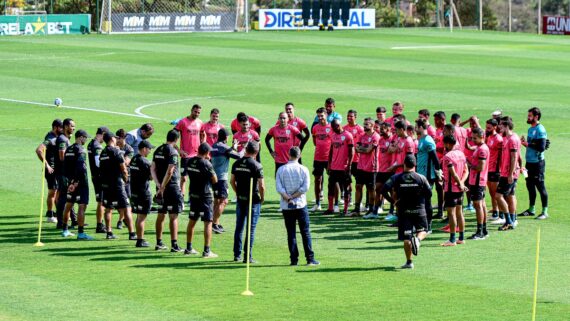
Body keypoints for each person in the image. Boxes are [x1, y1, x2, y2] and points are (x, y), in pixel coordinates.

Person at [382, 155, 430, 269]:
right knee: (424, 231)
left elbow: (383, 189)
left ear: (404, 164)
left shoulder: (396, 177)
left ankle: (409, 262)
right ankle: (418, 240)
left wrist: (393, 202)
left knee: (407, 237)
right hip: (419, 209)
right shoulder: (421, 178)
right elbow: (429, 193)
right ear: (415, 165)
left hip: (403, 211)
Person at [276, 146, 319, 266]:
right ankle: (310, 259)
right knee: (305, 232)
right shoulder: (303, 169)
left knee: (291, 233)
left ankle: (293, 260)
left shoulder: (281, 169)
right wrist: (294, 196)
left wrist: (288, 198)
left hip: (286, 205)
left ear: (289, 154)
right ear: (299, 156)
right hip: (300, 205)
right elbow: (305, 188)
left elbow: (279, 188)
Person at [231, 141, 265, 263]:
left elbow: (232, 181)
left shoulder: (236, 163)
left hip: (241, 199)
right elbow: (262, 186)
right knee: (250, 229)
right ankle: (247, 257)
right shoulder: (257, 165)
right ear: (256, 152)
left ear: (246, 150)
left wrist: (237, 192)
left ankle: (237, 255)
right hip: (253, 200)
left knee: (239, 227)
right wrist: (262, 198)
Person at [151, 129, 184, 252]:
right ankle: (174, 245)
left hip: (160, 187)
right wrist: (163, 185)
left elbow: (152, 169)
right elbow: (170, 171)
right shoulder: (173, 152)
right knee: (173, 215)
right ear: (176, 139)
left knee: (161, 214)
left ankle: (159, 242)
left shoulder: (158, 149)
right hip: (171, 187)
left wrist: (158, 184)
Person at [185, 143, 219, 258]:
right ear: (206, 153)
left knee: (192, 220)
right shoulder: (206, 163)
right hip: (205, 196)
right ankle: (207, 251)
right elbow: (214, 180)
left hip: (193, 194)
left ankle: (189, 247)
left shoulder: (190, 161)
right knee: (208, 222)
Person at [100, 132, 136, 240]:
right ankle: (132, 234)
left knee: (108, 208)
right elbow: (123, 167)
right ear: (112, 138)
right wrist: (126, 179)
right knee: (127, 208)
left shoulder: (103, 152)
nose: (116, 139)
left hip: (106, 183)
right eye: (115, 138)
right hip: (117, 183)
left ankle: (109, 232)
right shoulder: (116, 151)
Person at [61, 130, 92, 240]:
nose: (86, 140)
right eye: (85, 137)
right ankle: (81, 233)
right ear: (80, 137)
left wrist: (70, 182)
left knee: (68, 205)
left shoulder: (68, 149)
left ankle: (65, 230)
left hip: (69, 182)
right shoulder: (81, 150)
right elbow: (81, 168)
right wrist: (76, 182)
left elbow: (64, 167)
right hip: (80, 183)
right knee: (81, 206)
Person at [520, 107, 549, 220]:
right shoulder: (530, 129)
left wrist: (527, 144)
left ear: (536, 117)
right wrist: (525, 143)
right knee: (529, 185)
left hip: (538, 164)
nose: (528, 117)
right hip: (529, 163)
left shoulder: (540, 129)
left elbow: (542, 147)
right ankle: (531, 209)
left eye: (530, 116)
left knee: (540, 186)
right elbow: (531, 144)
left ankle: (544, 212)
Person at [440, 135, 469, 247]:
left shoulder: (448, 156)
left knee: (451, 214)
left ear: (447, 143)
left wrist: (459, 183)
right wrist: (462, 183)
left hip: (451, 188)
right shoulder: (461, 154)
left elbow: (452, 172)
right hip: (460, 189)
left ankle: (452, 239)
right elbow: (466, 171)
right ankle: (461, 238)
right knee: (460, 212)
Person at [210, 128, 240, 234]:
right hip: (222, 179)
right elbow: (238, 156)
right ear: (226, 137)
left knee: (217, 201)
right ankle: (214, 223)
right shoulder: (225, 148)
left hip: (213, 178)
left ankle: (214, 223)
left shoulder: (213, 146)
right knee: (224, 201)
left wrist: (231, 148)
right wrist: (236, 148)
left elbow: (224, 153)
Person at [415, 118, 442, 232]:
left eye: (416, 127)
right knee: (420, 200)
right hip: (420, 174)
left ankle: (428, 226)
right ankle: (422, 224)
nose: (415, 129)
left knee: (426, 201)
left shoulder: (428, 141)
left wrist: (438, 174)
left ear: (421, 127)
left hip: (427, 176)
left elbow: (435, 159)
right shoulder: (421, 139)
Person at [385, 121, 415, 222]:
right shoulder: (399, 139)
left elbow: (410, 161)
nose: (395, 132)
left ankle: (404, 218)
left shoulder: (409, 141)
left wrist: (396, 166)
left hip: (405, 173)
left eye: (397, 130)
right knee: (396, 194)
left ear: (402, 129)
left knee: (404, 197)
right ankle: (399, 217)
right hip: (397, 171)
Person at [496, 116, 522, 231]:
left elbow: (514, 157)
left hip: (508, 173)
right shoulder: (506, 137)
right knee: (510, 196)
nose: (499, 126)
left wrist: (511, 174)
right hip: (506, 172)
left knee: (498, 196)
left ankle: (509, 221)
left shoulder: (513, 139)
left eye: (501, 124)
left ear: (506, 125)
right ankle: (512, 219)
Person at [35, 119, 63, 223]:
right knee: (53, 191)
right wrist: (47, 165)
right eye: (60, 127)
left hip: (56, 169)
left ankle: (57, 213)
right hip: (51, 169)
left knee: (57, 191)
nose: (62, 129)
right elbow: (39, 150)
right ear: (55, 127)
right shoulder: (50, 139)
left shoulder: (56, 137)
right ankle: (50, 215)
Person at [351, 117, 379, 217]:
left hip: (372, 167)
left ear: (372, 125)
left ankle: (371, 209)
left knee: (371, 189)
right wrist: (365, 148)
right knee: (358, 186)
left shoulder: (376, 137)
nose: (364, 126)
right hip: (361, 166)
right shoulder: (361, 136)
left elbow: (368, 151)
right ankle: (357, 209)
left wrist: (363, 149)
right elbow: (357, 148)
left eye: (366, 124)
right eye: (364, 124)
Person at [325, 119, 353, 216]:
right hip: (334, 167)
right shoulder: (333, 135)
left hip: (344, 167)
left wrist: (349, 165)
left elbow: (351, 152)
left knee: (346, 188)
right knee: (330, 187)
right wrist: (329, 164)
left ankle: (345, 210)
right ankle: (330, 208)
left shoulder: (348, 135)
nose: (333, 130)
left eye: (334, 127)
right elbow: (331, 150)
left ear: (338, 125)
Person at [130, 140, 154, 248]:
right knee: (142, 217)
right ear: (144, 149)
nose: (149, 151)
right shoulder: (144, 162)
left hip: (134, 191)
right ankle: (140, 240)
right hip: (143, 192)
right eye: (149, 149)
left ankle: (139, 238)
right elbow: (151, 177)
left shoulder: (134, 159)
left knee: (139, 216)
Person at [174, 104, 203, 195]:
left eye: (198, 112)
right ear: (191, 110)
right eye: (195, 111)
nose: (197, 114)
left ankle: (192, 197)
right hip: (186, 155)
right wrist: (179, 150)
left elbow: (203, 134)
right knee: (184, 178)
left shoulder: (200, 122)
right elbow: (172, 137)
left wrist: (203, 147)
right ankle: (181, 198)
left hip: (197, 155)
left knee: (195, 178)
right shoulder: (183, 122)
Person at [467, 127, 490, 240]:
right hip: (477, 180)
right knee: (482, 205)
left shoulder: (482, 150)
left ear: (482, 137)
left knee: (478, 205)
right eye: (472, 138)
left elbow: (481, 167)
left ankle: (480, 231)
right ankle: (484, 230)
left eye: (475, 138)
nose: (473, 140)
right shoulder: (479, 147)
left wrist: (470, 165)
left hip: (478, 180)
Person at [368, 121, 394, 219]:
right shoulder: (381, 139)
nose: (380, 130)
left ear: (388, 129)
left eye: (382, 128)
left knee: (392, 191)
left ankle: (391, 211)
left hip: (390, 170)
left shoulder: (393, 139)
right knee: (378, 189)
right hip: (381, 169)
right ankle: (375, 212)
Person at [87, 126, 110, 233]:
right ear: (103, 134)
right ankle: (99, 225)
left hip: (95, 176)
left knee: (100, 201)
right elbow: (98, 163)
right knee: (101, 201)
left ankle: (100, 224)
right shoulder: (97, 146)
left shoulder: (91, 144)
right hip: (100, 177)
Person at [55, 118, 76, 229]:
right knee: (63, 197)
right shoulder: (63, 139)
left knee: (67, 196)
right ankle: (60, 222)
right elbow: (62, 156)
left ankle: (73, 220)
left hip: (64, 172)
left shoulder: (65, 138)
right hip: (63, 173)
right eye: (72, 126)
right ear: (66, 126)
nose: (73, 128)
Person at [310, 107, 332, 212]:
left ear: (326, 115)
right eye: (318, 116)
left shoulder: (331, 127)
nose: (320, 118)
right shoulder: (315, 128)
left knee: (332, 181)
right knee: (317, 180)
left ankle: (333, 204)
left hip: (329, 158)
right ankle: (317, 203)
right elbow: (314, 141)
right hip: (318, 157)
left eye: (321, 116)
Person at [343, 110, 365, 210]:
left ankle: (359, 201)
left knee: (359, 182)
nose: (349, 118)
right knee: (347, 181)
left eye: (351, 116)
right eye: (348, 116)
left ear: (355, 117)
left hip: (357, 160)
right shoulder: (344, 128)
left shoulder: (360, 129)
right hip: (347, 160)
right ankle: (350, 198)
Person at [485, 118, 505, 224]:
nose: (487, 129)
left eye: (489, 127)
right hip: (489, 168)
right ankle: (495, 212)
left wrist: (499, 169)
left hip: (496, 169)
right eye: (486, 127)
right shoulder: (489, 137)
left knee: (497, 193)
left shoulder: (498, 139)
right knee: (492, 193)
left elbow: (501, 156)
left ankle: (501, 215)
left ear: (494, 127)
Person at [116, 128, 135, 229]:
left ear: (124, 138)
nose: (118, 140)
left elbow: (126, 162)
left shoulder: (129, 149)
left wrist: (118, 154)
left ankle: (121, 220)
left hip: (125, 177)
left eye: (120, 138)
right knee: (118, 202)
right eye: (117, 138)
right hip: (115, 177)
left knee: (126, 200)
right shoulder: (114, 147)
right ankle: (122, 218)